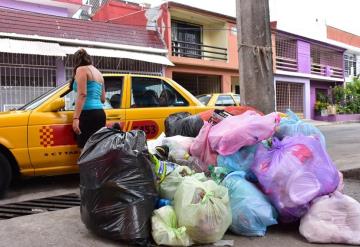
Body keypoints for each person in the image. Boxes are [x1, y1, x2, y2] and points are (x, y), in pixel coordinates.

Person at [71, 48, 106, 148]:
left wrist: (76, 118)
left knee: (85, 150)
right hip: (100, 114)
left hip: (87, 114)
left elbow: (82, 94)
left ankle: (87, 164)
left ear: (77, 61)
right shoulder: (99, 73)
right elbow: (103, 99)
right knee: (97, 149)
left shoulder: (81, 69)